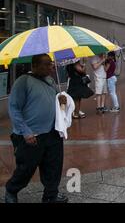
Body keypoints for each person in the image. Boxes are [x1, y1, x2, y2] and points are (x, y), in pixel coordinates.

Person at [5, 54, 68, 203]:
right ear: (34, 65)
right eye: (46, 64)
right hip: (31, 135)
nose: (50, 67)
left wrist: (62, 101)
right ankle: (11, 190)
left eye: (51, 63)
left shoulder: (51, 80)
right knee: (25, 169)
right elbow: (14, 108)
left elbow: (56, 104)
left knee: (53, 166)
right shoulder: (23, 81)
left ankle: (50, 195)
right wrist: (25, 131)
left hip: (52, 133)